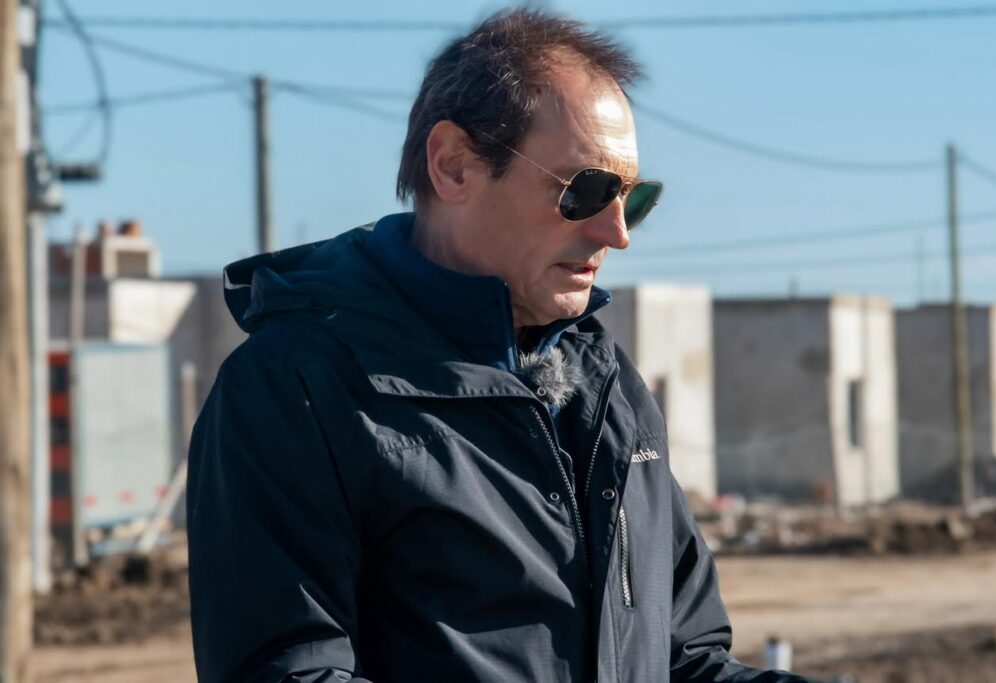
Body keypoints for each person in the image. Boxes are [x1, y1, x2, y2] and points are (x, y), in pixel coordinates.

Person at [187, 8, 819, 683]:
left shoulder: (608, 389)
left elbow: (683, 658)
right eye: (586, 191)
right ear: (454, 166)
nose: (617, 233)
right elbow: (288, 670)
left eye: (633, 199)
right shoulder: (297, 388)